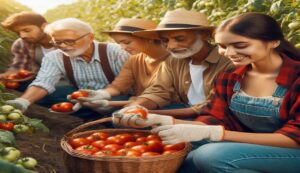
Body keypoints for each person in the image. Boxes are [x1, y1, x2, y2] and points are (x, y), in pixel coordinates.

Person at [112, 13, 300, 173]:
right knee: (185, 154)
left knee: (209, 156)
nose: (229, 53)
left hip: (292, 150)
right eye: (223, 46)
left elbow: (294, 137)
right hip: (254, 144)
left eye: (240, 45)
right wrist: (163, 121)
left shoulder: (296, 77)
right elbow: (215, 117)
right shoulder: (232, 76)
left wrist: (215, 134)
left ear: (273, 42)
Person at [5, 18, 129, 118]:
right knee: (46, 95)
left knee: (123, 119)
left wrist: (108, 98)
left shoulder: (116, 52)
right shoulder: (55, 57)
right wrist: (23, 101)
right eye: (57, 43)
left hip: (120, 98)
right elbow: (43, 81)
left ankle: (104, 116)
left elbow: (134, 84)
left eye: (69, 41)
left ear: (90, 37)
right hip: (83, 97)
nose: (63, 46)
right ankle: (92, 115)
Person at [126, 9, 233, 118]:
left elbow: (211, 105)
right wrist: (133, 108)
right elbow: (158, 91)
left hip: (216, 116)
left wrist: (149, 114)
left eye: (180, 39)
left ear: (204, 35)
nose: (171, 46)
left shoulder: (228, 62)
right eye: (165, 40)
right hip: (185, 109)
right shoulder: (173, 61)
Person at [75, 18, 169, 110]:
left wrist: (112, 103)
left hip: (169, 107)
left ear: (149, 38)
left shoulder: (172, 60)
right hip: (140, 105)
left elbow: (163, 97)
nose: (123, 48)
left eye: (127, 42)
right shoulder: (135, 60)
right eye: (119, 43)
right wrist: (101, 94)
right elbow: (118, 86)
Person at [0, 11, 55, 91]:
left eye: (27, 30)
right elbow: (19, 67)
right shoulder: (21, 43)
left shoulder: (64, 39)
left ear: (44, 26)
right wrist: (5, 76)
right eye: (18, 33)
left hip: (68, 81)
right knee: (14, 87)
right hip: (42, 80)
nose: (22, 36)